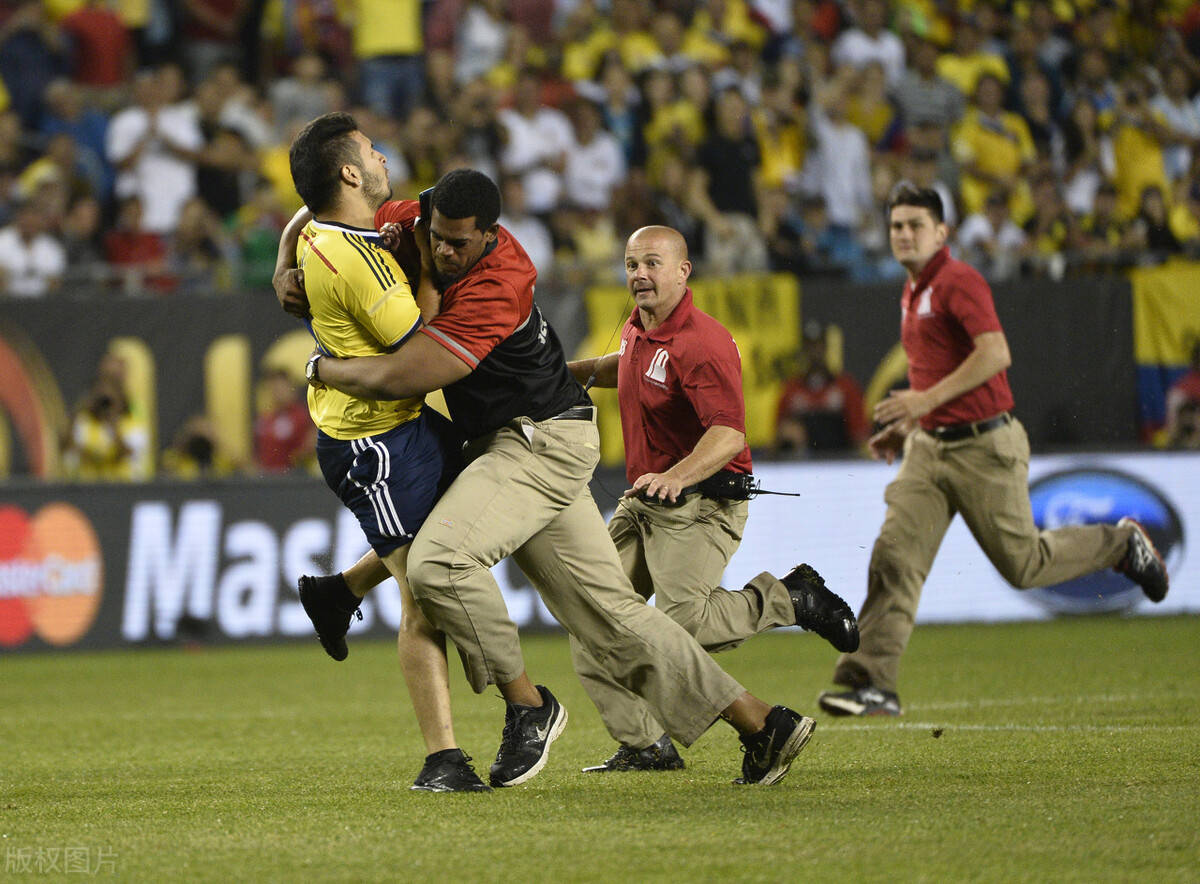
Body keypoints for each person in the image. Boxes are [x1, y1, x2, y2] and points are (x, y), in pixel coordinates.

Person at [310, 168, 821, 789]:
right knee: (614, 619)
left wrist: (324, 368)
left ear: (491, 235)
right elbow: (325, 215)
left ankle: (528, 706)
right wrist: (291, 261)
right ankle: (762, 724)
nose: (446, 251)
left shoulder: (500, 281)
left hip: (536, 441)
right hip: (528, 437)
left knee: (439, 564)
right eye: (437, 238)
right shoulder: (420, 220)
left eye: (459, 243)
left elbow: (404, 374)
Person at [816, 184, 1170, 718]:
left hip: (986, 446)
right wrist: (913, 422)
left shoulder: (958, 279)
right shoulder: (913, 290)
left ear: (943, 233)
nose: (904, 234)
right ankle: (873, 682)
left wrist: (924, 401)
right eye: (896, 226)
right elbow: (936, 369)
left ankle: (1120, 545)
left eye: (916, 225)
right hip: (930, 449)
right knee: (895, 557)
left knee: (1024, 565)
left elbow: (995, 353)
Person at [563, 225, 859, 772]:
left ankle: (790, 599)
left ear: (683, 270)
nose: (639, 275)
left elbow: (729, 434)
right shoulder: (639, 325)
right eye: (631, 264)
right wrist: (571, 376)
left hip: (699, 500)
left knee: (682, 629)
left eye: (652, 263)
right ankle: (645, 743)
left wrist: (677, 475)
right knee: (590, 615)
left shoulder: (703, 341)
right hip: (644, 500)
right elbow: (627, 368)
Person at [274, 113, 486, 793]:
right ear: (349, 174)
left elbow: (299, 220)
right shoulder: (357, 263)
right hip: (374, 444)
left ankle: (338, 592)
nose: (383, 155)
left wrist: (283, 260)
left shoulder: (323, 231)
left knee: (471, 526)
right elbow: (419, 343)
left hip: (398, 425)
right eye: (371, 150)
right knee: (424, 592)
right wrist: (425, 265)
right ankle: (442, 760)